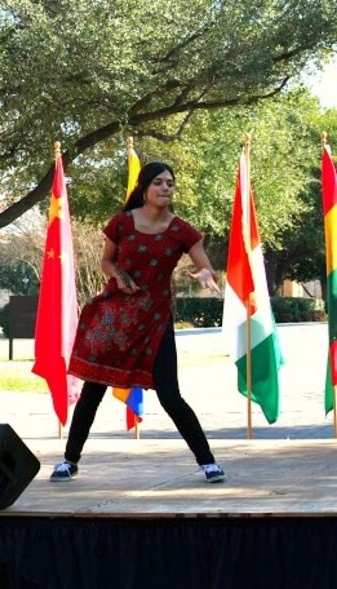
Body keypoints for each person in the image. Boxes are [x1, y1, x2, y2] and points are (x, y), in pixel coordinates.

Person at [51, 161, 226, 484]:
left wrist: (204, 274)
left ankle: (208, 463)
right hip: (116, 319)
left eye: (170, 183)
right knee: (93, 390)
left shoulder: (182, 230)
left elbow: (205, 266)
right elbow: (106, 261)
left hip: (155, 322)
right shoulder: (122, 223)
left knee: (170, 394)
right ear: (144, 188)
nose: (165, 188)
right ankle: (69, 460)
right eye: (158, 182)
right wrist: (118, 275)